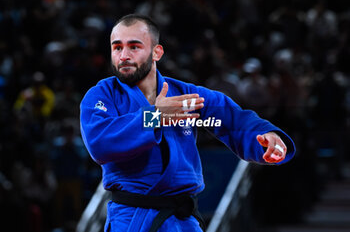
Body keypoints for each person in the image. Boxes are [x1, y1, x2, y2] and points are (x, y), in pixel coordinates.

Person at [80, 14, 296, 232]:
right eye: (117, 48)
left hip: (182, 221)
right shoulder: (102, 95)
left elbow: (232, 119)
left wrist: (266, 136)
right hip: (131, 220)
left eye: (134, 47)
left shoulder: (185, 95)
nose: (124, 55)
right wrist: (155, 116)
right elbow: (100, 143)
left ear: (157, 52)